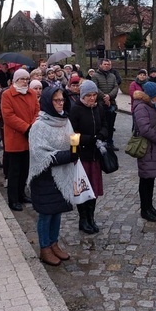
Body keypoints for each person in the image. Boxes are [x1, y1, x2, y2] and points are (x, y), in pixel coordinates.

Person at [27, 86, 78, 266]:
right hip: (45, 175)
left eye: (62, 100)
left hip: (61, 173)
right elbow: (39, 153)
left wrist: (75, 148)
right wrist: (68, 155)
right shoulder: (39, 125)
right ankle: (44, 248)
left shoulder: (64, 120)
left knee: (57, 212)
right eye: (56, 100)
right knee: (46, 214)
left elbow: (71, 140)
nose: (60, 103)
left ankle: (54, 243)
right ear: (48, 101)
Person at [68, 80, 108, 234]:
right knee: (84, 189)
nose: (92, 98)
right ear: (83, 96)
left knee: (94, 189)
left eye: (94, 95)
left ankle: (91, 217)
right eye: (89, 95)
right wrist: (89, 139)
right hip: (82, 155)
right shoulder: (76, 110)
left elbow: (105, 124)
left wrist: (102, 134)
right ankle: (83, 219)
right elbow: (72, 135)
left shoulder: (98, 108)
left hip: (95, 155)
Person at [1, 68, 40, 211]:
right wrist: (26, 127)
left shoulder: (31, 94)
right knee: (14, 171)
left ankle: (22, 193)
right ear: (15, 81)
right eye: (21, 79)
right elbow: (8, 116)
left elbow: (37, 111)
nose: (24, 82)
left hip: (29, 136)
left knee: (25, 169)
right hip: (15, 137)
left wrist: (33, 125)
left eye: (26, 79)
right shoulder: (7, 95)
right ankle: (13, 199)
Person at [132, 82, 156, 222]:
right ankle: (144, 209)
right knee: (145, 180)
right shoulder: (142, 107)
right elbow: (145, 129)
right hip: (146, 149)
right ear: (151, 96)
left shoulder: (152, 107)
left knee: (150, 179)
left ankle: (149, 206)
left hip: (153, 149)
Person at [92, 58, 119, 151]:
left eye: (108, 64)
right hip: (100, 104)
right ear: (100, 65)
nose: (107, 66)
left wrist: (109, 96)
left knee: (111, 125)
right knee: (102, 125)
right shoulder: (95, 76)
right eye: (105, 64)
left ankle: (110, 142)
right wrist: (104, 97)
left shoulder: (112, 76)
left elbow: (116, 87)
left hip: (111, 104)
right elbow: (95, 88)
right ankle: (101, 142)